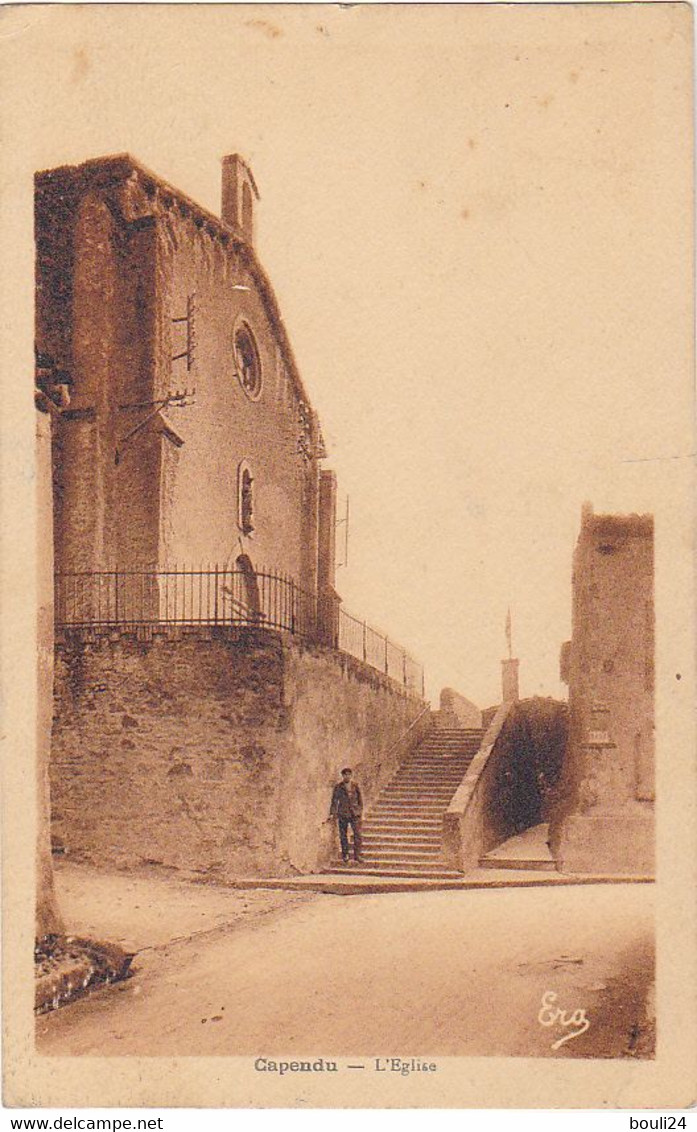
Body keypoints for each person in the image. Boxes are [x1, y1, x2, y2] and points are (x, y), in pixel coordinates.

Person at [328, 767, 363, 864]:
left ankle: (357, 855)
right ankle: (345, 855)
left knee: (357, 835)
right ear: (342, 776)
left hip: (354, 814)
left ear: (351, 775)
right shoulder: (338, 787)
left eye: (349, 774)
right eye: (345, 775)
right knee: (343, 835)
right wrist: (332, 813)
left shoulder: (355, 786)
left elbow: (360, 800)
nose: (347, 776)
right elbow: (334, 801)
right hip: (343, 814)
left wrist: (359, 811)